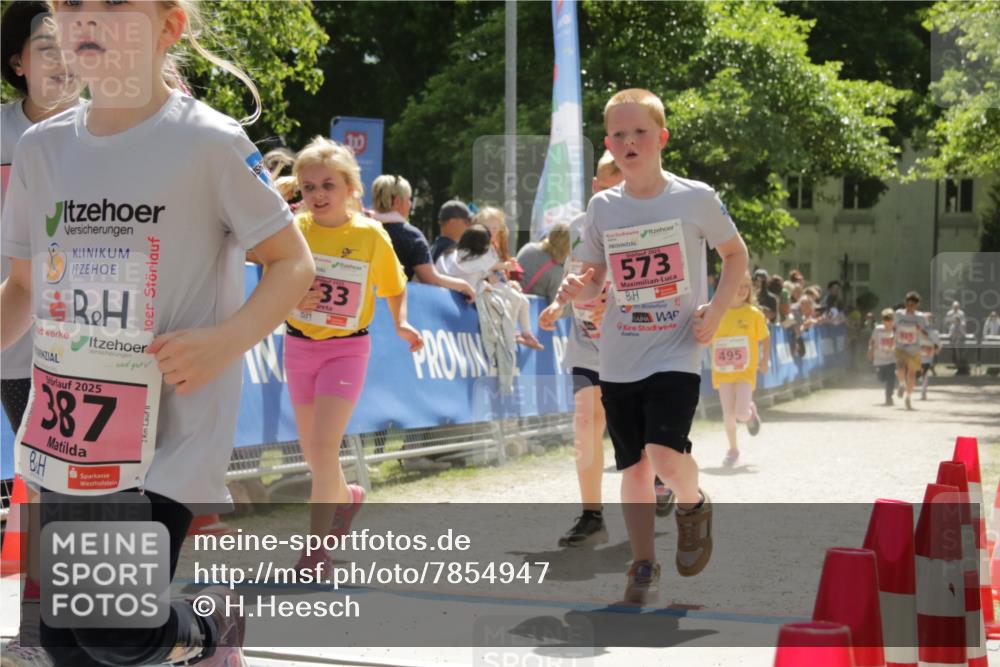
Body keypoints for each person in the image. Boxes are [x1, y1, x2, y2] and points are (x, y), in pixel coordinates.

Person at [1, 1, 316, 665]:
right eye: (71, 4)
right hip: (70, 433)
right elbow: (25, 288)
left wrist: (227, 340)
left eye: (115, 3)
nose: (86, 17)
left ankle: (209, 621)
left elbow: (293, 263)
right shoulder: (40, 149)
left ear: (168, 27)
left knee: (113, 626)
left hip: (175, 426)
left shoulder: (209, 141)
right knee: (71, 644)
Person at [556, 88, 748, 604]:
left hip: (677, 346)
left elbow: (735, 255)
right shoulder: (602, 208)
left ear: (661, 138)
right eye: (618, 134)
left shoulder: (694, 197)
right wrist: (580, 288)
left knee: (664, 455)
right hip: (618, 354)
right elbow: (594, 278)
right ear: (607, 144)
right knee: (635, 467)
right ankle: (643, 564)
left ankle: (693, 501)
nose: (628, 142)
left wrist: (719, 308)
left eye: (639, 132)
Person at [284, 137, 423, 576]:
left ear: (350, 188)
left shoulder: (369, 234)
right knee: (315, 454)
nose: (318, 195)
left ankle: (316, 551)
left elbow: (395, 285)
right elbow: (268, 270)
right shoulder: (294, 229)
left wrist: (400, 322)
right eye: (308, 187)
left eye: (328, 185)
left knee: (324, 448)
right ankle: (347, 498)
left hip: (346, 350)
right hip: (298, 345)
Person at [538, 151, 626, 547]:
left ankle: (662, 475)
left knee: (633, 428)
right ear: (596, 186)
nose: (618, 191)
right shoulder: (577, 228)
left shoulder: (649, 222)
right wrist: (557, 307)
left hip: (637, 345)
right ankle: (592, 515)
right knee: (587, 421)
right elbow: (571, 279)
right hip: (588, 343)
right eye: (610, 182)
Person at [437, 224, 544, 350]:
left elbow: (482, 272)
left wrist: (501, 278)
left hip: (446, 289)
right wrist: (485, 283)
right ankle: (513, 332)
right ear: (481, 245)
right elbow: (470, 286)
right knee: (515, 299)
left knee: (520, 299)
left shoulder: (456, 253)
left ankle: (522, 333)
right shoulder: (470, 260)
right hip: (457, 294)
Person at [370, 174, 475, 301]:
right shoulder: (410, 236)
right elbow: (431, 280)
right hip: (392, 308)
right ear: (398, 201)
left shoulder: (362, 229)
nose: (410, 205)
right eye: (409, 199)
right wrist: (464, 286)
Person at [711, 272, 770, 468]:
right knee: (728, 415)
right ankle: (733, 450)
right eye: (737, 285)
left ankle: (751, 413)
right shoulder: (717, 312)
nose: (742, 290)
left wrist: (765, 359)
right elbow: (707, 336)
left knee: (741, 413)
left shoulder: (753, 314)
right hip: (723, 372)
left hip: (745, 371)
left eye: (745, 286)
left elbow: (765, 337)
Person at [516, 222, 571, 304]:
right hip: (530, 311)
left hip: (511, 303)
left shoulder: (528, 248)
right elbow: (557, 305)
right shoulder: (556, 271)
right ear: (568, 247)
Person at [894, 292, 930, 410]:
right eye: (908, 304)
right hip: (900, 346)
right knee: (900, 369)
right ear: (905, 303)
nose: (910, 307)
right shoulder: (899, 314)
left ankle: (908, 397)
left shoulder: (920, 317)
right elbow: (893, 327)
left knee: (911, 374)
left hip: (914, 349)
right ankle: (901, 384)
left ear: (917, 305)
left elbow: (926, 333)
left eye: (912, 305)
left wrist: (920, 330)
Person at [474, 205, 524, 283]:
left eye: (495, 228)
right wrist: (504, 265)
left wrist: (509, 264)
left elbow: (498, 270)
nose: (490, 232)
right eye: (486, 228)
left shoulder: (493, 247)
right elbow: (486, 264)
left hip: (497, 284)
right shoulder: (477, 247)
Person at [867, 309, 897, 406]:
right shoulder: (878, 329)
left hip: (892, 359)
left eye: (890, 319)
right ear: (883, 320)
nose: (888, 322)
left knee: (890, 378)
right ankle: (888, 392)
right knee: (881, 378)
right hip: (879, 359)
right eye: (886, 319)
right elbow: (872, 341)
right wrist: (870, 350)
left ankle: (889, 397)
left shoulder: (896, 330)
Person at [430, 198, 471, 264]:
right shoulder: (449, 250)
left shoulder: (435, 248)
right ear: (452, 222)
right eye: (467, 221)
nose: (470, 225)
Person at [917, 313, 941, 400]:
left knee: (925, 373)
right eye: (926, 319)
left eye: (929, 320)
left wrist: (936, 350)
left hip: (927, 356)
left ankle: (923, 392)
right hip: (918, 355)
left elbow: (938, 344)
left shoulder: (934, 332)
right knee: (919, 373)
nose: (927, 321)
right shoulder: (917, 329)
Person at [944, 301, 968, 374]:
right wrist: (953, 322)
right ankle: (956, 366)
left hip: (960, 336)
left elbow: (964, 322)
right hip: (952, 334)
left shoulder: (961, 313)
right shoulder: (949, 313)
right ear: (952, 306)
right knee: (953, 352)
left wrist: (959, 323)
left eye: (957, 307)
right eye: (954, 307)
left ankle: (961, 368)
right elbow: (946, 322)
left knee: (960, 352)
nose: (956, 308)